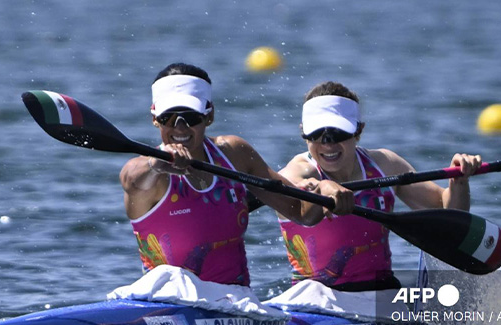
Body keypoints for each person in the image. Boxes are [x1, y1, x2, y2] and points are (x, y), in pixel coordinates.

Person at [120, 64, 353, 287]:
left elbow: (301, 213)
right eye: (168, 118)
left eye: (190, 117)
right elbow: (130, 177)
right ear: (154, 118)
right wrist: (156, 164)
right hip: (169, 300)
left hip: (234, 302)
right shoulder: (148, 173)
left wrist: (324, 190)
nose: (180, 128)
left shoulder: (235, 155)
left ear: (208, 116)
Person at [278, 81, 482, 292]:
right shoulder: (298, 172)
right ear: (303, 132)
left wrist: (459, 179)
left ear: (358, 131)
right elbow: (299, 199)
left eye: (338, 133)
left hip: (380, 294)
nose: (328, 143)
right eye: (317, 134)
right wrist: (324, 187)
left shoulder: (385, 164)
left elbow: (450, 216)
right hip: (315, 297)